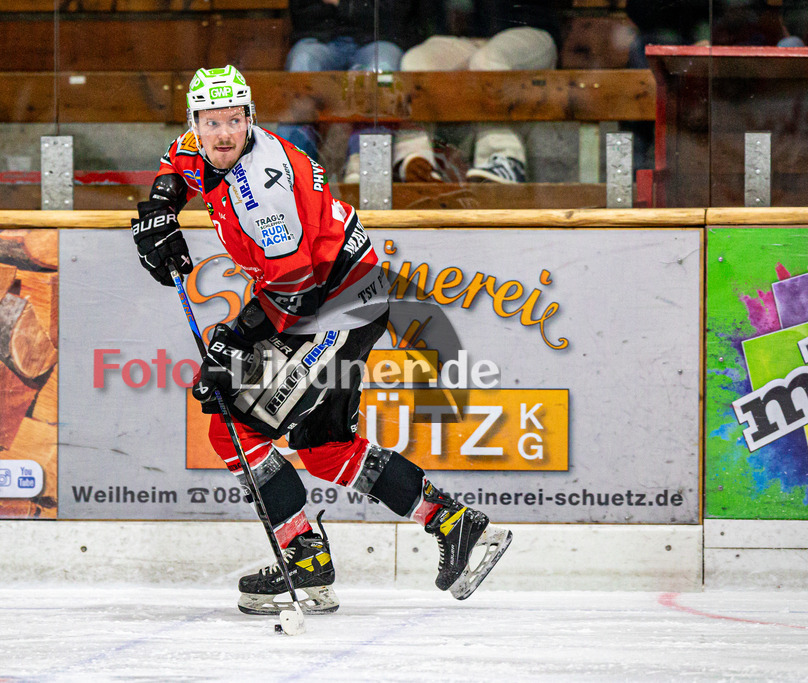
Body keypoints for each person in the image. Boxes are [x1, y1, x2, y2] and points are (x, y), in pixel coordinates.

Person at [131, 65, 511, 615]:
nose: (223, 133)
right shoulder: (201, 147)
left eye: (233, 120)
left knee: (233, 428)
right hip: (348, 294)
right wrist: (161, 211)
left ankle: (304, 557)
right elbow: (176, 165)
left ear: (250, 119)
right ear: (194, 123)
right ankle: (455, 524)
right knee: (325, 448)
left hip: (335, 304)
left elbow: (295, 295)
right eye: (211, 122)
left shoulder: (262, 193)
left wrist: (233, 343)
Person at [393, 0, 559, 183]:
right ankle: (414, 156)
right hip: (463, 39)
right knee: (416, 61)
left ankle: (504, 158)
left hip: (528, 29)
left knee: (487, 61)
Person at [277, 0, 436, 182]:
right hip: (320, 39)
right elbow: (302, 13)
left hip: (378, 39)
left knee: (381, 70)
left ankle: (366, 164)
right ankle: (290, 168)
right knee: (302, 65)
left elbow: (394, 13)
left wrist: (340, 4)